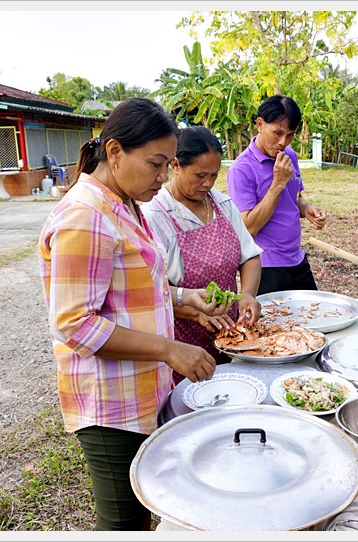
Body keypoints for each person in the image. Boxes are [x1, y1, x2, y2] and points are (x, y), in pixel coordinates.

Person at [38, 98, 231, 531]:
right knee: (123, 523)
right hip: (110, 408)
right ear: (114, 152)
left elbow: (131, 288)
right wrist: (169, 349)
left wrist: (186, 299)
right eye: (155, 164)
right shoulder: (84, 216)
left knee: (147, 511)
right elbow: (74, 324)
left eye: (167, 165)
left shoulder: (122, 204)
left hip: (140, 393)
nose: (163, 178)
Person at [141, 126, 263, 364]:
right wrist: (196, 314)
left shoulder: (222, 204)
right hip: (180, 343)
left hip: (228, 333)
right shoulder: (155, 215)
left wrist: (247, 294)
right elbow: (152, 291)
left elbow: (249, 256)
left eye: (214, 175)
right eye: (199, 176)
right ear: (175, 165)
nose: (207, 183)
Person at [226, 95, 327, 295]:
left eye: (290, 135)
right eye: (277, 133)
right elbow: (248, 227)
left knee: (312, 320)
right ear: (260, 124)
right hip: (266, 266)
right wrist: (278, 183)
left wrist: (307, 209)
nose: (283, 142)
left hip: (297, 259)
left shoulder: (290, 156)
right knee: (275, 326)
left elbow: (294, 199)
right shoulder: (241, 169)